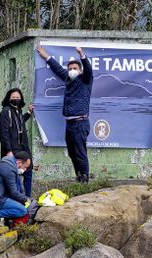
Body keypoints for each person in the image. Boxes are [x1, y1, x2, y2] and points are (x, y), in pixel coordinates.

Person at [37, 46, 93, 183]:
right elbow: (57, 68)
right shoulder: (68, 79)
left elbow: (89, 69)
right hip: (69, 124)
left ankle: (85, 180)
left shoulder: (86, 80)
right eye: (70, 68)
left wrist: (81, 54)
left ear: (80, 70)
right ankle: (79, 176)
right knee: (72, 153)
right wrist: (46, 56)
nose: (72, 70)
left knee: (80, 153)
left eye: (75, 68)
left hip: (80, 123)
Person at [0, 88, 34, 197]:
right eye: (13, 97)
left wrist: (28, 113)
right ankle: (15, 199)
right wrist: (8, 151)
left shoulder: (18, 111)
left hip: (23, 148)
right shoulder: (5, 112)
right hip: (12, 149)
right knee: (13, 176)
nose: (16, 99)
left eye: (18, 97)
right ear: (8, 99)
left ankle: (26, 199)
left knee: (28, 172)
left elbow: (19, 122)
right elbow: (4, 133)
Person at [0, 151, 32, 227]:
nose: (25, 169)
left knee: (19, 205)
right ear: (19, 163)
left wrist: (22, 198)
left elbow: (19, 187)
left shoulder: (10, 165)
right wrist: (25, 199)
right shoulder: (9, 170)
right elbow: (14, 192)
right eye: (25, 167)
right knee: (22, 210)